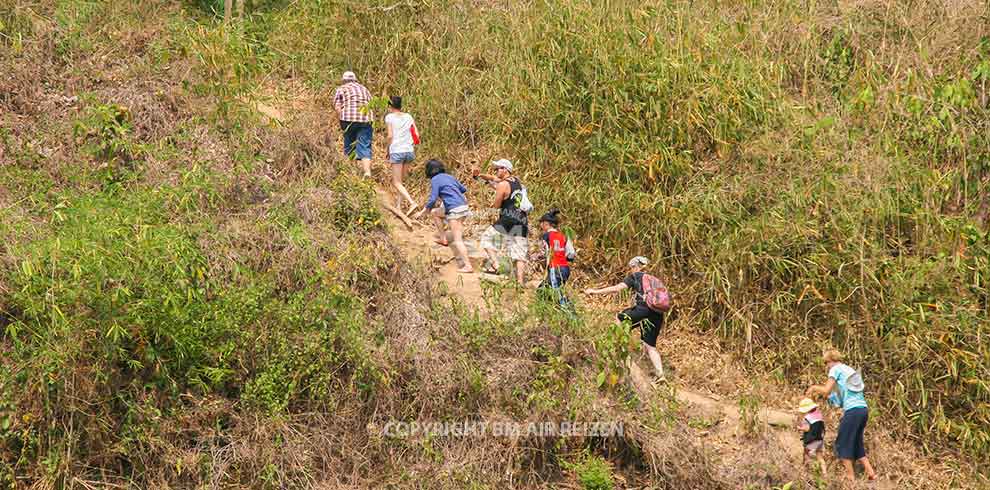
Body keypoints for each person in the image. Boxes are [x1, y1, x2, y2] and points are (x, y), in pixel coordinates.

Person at [583, 256, 666, 380]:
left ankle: (614, 351)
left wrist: (594, 291)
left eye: (631, 268)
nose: (630, 270)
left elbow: (617, 288)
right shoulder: (653, 279)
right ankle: (660, 374)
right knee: (650, 346)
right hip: (657, 313)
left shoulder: (635, 276)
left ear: (635, 267)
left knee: (619, 319)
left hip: (643, 309)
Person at [805, 349, 878, 481]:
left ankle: (850, 477)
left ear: (830, 361)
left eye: (826, 363)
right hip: (862, 410)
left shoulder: (835, 369)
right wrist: (827, 396)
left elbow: (826, 389)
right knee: (856, 443)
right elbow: (838, 399)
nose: (826, 367)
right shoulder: (848, 370)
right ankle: (871, 473)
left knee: (842, 443)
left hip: (852, 411)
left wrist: (814, 388)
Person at [473, 159, 529, 283]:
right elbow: (492, 178)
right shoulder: (517, 181)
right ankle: (520, 282)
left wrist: (497, 191)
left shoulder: (503, 185)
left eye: (498, 168)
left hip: (508, 218)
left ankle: (497, 266)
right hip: (522, 220)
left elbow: (497, 205)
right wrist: (479, 176)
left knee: (486, 238)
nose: (496, 171)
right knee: (519, 253)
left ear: (505, 169)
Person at [413, 160, 473, 273]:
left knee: (458, 240)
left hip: (454, 209)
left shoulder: (435, 179)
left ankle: (468, 266)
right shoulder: (449, 176)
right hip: (464, 207)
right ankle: (443, 238)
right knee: (435, 213)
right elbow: (463, 189)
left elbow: (432, 198)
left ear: (429, 171)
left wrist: (422, 212)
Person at [333, 71, 373, 177]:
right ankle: (367, 172)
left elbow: (337, 108)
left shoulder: (341, 89)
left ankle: (351, 173)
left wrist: (341, 121)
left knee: (349, 145)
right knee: (365, 145)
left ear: (343, 80)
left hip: (348, 118)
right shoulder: (364, 89)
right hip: (366, 118)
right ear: (355, 80)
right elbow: (371, 104)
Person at [384, 95, 419, 214]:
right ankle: (398, 206)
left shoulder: (389, 117)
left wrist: (388, 149)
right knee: (401, 182)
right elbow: (417, 135)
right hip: (409, 151)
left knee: (396, 182)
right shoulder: (408, 116)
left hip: (397, 151)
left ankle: (412, 202)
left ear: (390, 106)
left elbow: (390, 136)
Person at [534, 209, 573, 308]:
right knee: (542, 291)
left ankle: (572, 315)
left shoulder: (546, 236)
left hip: (555, 269)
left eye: (541, 223)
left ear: (546, 223)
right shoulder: (564, 236)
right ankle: (547, 315)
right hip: (565, 269)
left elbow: (542, 253)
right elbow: (571, 253)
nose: (540, 226)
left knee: (557, 294)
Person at [795, 398, 826, 467]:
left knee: (806, 454)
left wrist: (800, 428)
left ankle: (804, 468)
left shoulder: (807, 417)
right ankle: (825, 473)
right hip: (819, 439)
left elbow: (807, 428)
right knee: (820, 457)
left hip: (811, 440)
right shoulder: (819, 415)